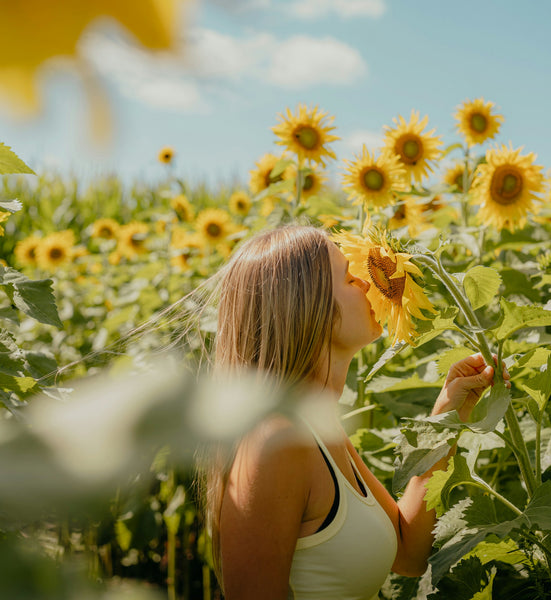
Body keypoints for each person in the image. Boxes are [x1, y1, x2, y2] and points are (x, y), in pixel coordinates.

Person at [204, 223, 508, 600]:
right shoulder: (275, 442)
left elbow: (408, 553)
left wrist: (448, 413)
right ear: (307, 307)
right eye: (350, 278)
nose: (369, 284)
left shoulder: (317, 426)